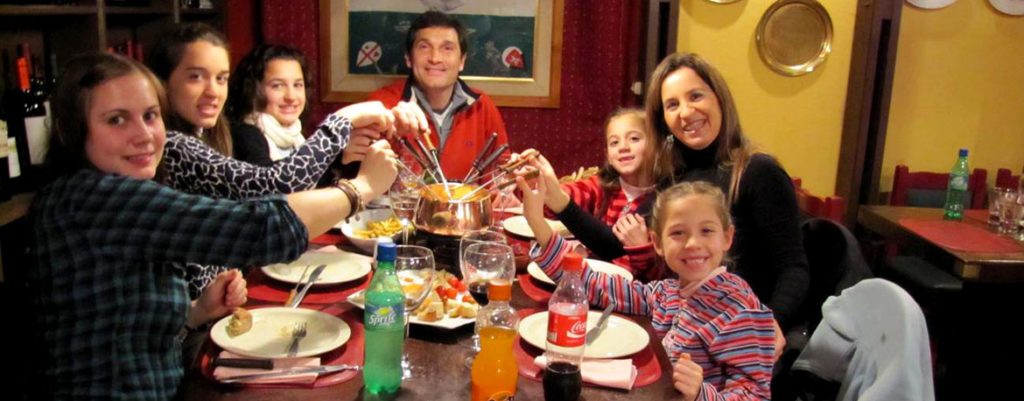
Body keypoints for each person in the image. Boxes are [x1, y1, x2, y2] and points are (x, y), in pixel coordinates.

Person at [28, 52, 397, 400]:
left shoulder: (103, 190)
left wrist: (195, 312)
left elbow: (119, 320)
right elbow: (259, 227)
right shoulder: (93, 198)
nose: (144, 135)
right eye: (116, 119)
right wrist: (360, 188)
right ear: (73, 130)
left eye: (150, 115)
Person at [149, 23, 427, 299]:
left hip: (211, 304)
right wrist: (343, 122)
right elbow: (274, 192)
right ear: (161, 82)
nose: (213, 91)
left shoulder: (210, 136)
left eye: (221, 78)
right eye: (196, 77)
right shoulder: (173, 146)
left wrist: (339, 158)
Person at [518, 178, 774, 401]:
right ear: (658, 243)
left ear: (727, 237)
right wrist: (537, 222)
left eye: (706, 230)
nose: (693, 243)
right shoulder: (666, 293)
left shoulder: (739, 309)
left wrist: (702, 393)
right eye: (678, 233)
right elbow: (593, 285)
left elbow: (755, 394)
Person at [646, 53, 809, 340]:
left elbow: (793, 269)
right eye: (672, 105)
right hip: (686, 329)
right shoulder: (672, 178)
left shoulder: (757, 172)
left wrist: (770, 327)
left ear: (719, 99)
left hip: (739, 338)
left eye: (696, 96)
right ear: (664, 122)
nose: (685, 112)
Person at [513, 109, 659, 278]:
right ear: (607, 155)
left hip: (632, 293)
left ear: (656, 145)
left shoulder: (663, 200)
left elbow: (659, 273)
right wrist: (531, 183)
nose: (623, 147)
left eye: (634, 139)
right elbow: (559, 203)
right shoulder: (601, 186)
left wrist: (641, 248)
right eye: (614, 143)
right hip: (591, 280)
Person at [366, 10, 510, 180]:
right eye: (424, 47)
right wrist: (389, 123)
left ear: (462, 61)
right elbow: (359, 171)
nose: (435, 58)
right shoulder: (381, 104)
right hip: (399, 206)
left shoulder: (482, 105)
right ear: (408, 59)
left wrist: (506, 187)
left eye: (447, 48)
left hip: (464, 205)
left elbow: (500, 169)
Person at [226, 44, 313, 165]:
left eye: (297, 85)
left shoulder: (296, 136)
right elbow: (272, 179)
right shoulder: (246, 134)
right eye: (277, 86)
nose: (291, 97)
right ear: (253, 90)